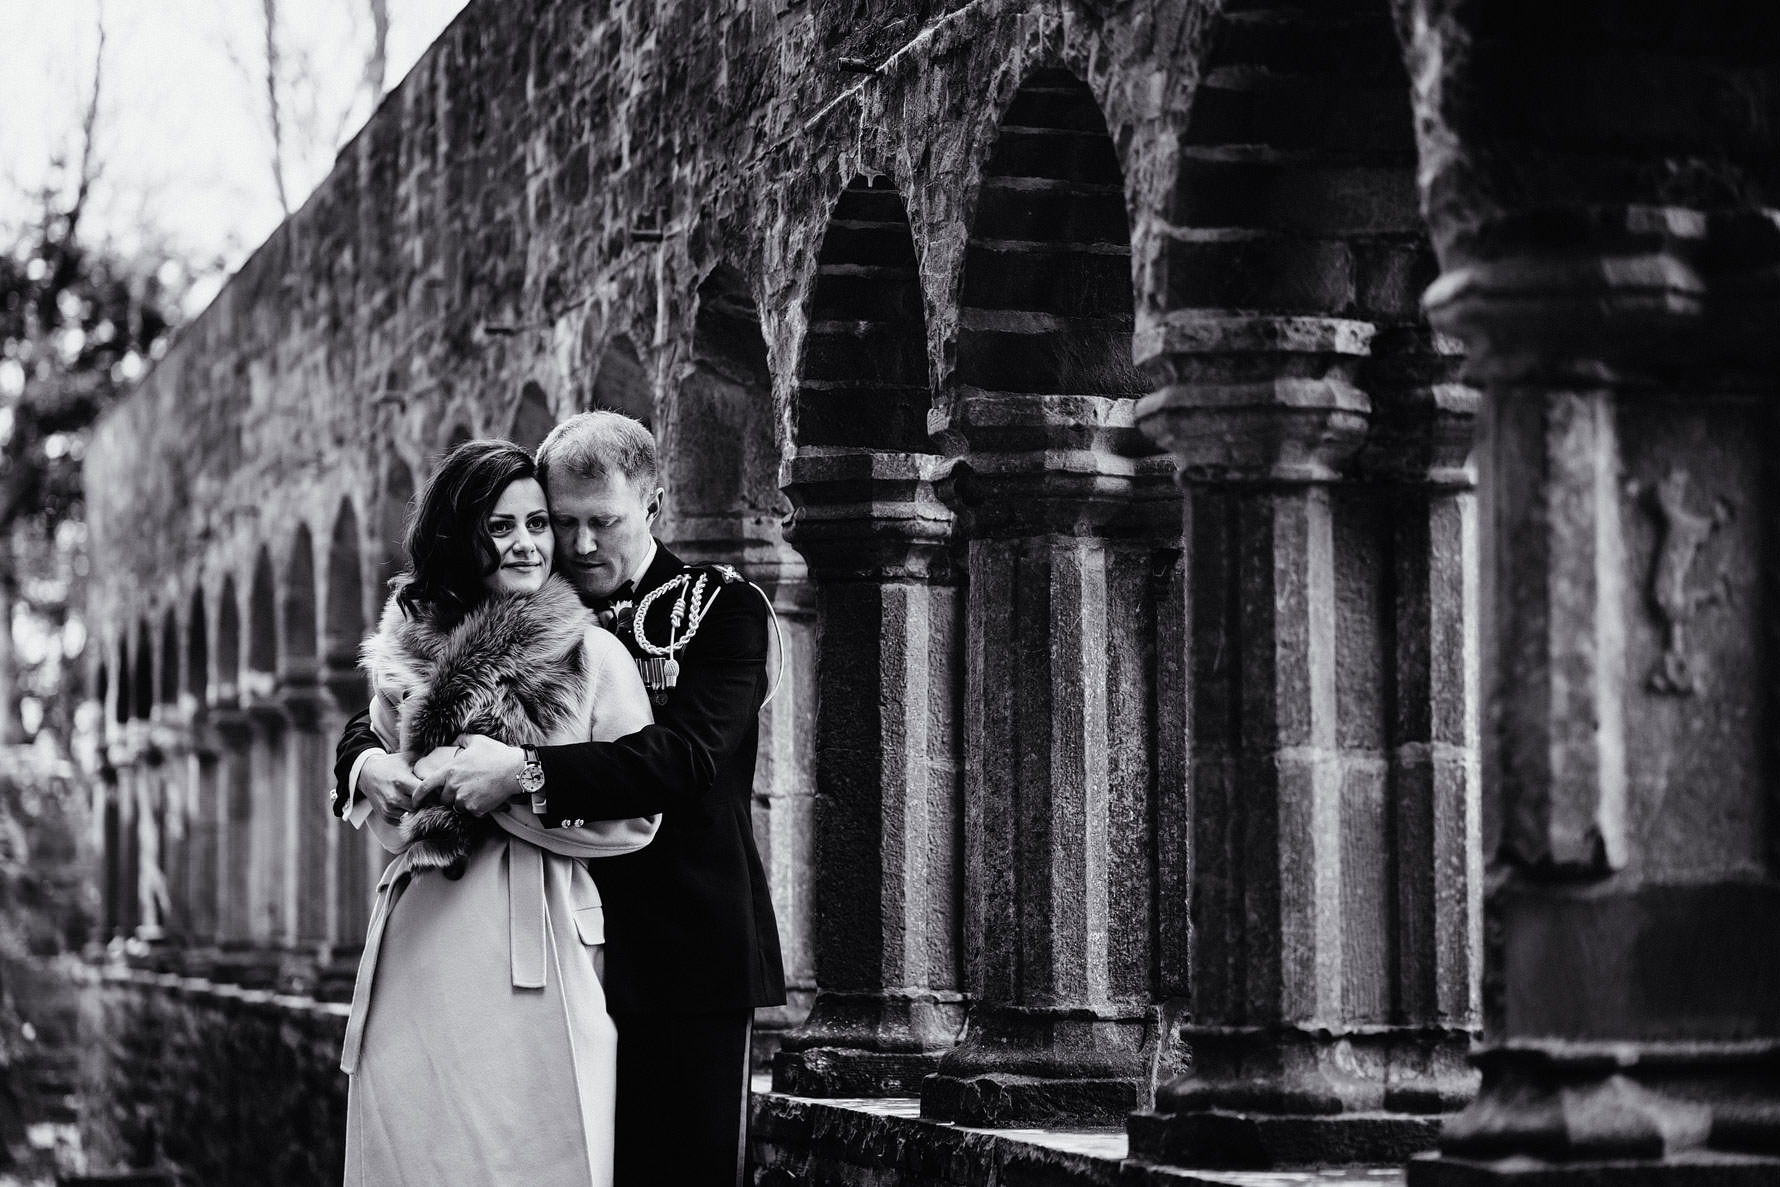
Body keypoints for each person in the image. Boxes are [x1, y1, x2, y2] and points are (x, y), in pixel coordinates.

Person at [333, 411, 786, 1187]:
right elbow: (418, 691)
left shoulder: (721, 609)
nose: (576, 546)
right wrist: (363, 759)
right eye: (560, 521)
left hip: (682, 949)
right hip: (557, 942)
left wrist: (523, 771)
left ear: (651, 504)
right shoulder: (523, 604)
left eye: (600, 522)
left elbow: (686, 756)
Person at [338, 439, 659, 1187]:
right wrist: (381, 773)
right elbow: (392, 819)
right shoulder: (405, 649)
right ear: (462, 534)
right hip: (422, 938)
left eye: (538, 523)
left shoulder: (593, 654)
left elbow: (637, 816)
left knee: (537, 1153)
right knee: (414, 1153)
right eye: (501, 524)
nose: (526, 542)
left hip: (537, 936)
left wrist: (506, 785)